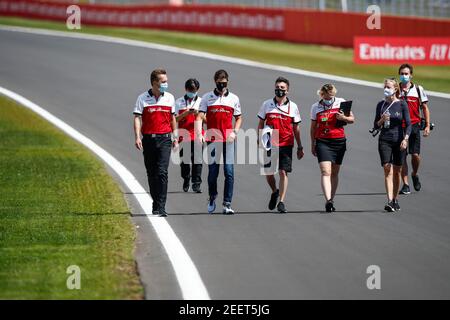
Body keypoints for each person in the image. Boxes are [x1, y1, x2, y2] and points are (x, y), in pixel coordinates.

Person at [196, 69, 242, 215]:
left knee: (229, 172)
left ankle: (227, 203)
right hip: (212, 139)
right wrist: (199, 134)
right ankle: (212, 196)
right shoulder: (207, 98)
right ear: (215, 82)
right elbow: (199, 117)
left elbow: (239, 117)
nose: (222, 85)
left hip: (228, 140)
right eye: (219, 82)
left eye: (224, 82)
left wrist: (235, 132)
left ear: (227, 82)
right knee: (213, 172)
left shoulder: (234, 98)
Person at [133, 68, 178, 217]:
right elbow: (137, 118)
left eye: (166, 81)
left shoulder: (170, 98)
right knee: (151, 173)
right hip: (148, 139)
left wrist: (175, 136)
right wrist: (138, 137)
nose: (166, 84)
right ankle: (155, 203)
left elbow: (172, 119)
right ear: (154, 83)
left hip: (165, 138)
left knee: (162, 172)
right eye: (163, 81)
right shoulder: (142, 98)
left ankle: (162, 206)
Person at [257, 76, 304, 214]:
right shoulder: (266, 104)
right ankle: (275, 191)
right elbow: (261, 123)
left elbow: (296, 128)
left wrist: (300, 146)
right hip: (270, 143)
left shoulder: (293, 106)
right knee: (269, 172)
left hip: (286, 142)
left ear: (287, 91)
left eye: (282, 88)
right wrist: (259, 138)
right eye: (277, 88)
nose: (279, 90)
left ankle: (281, 202)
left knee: (283, 172)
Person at [310, 84, 355, 213]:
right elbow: (313, 127)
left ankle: (331, 199)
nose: (330, 99)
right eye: (327, 97)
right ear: (322, 95)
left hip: (339, 141)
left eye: (332, 96)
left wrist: (343, 118)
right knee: (325, 172)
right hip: (322, 141)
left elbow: (352, 119)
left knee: (334, 172)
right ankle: (328, 200)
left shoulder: (341, 102)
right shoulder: (315, 107)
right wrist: (312, 143)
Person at [373, 78, 411, 212]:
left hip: (399, 140)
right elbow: (375, 126)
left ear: (395, 89)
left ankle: (395, 199)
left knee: (397, 172)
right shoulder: (381, 105)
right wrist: (381, 120)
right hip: (384, 140)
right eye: (385, 86)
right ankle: (389, 201)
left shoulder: (402, 104)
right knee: (387, 168)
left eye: (388, 87)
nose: (386, 89)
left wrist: (405, 139)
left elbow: (408, 124)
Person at [398, 63, 431, 194]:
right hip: (400, 127)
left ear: (411, 75)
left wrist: (427, 125)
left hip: (415, 126)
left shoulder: (418, 89)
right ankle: (405, 184)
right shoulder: (396, 90)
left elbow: (424, 108)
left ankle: (414, 174)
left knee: (415, 155)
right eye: (402, 74)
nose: (404, 76)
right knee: (402, 156)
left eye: (406, 74)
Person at [175, 78, 205, 193]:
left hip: (198, 135)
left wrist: (199, 114)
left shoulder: (202, 102)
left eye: (195, 90)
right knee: (185, 162)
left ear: (197, 90)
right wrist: (186, 113)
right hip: (183, 136)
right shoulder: (178, 102)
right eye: (190, 90)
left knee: (197, 160)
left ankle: (196, 184)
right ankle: (186, 178)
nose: (192, 92)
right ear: (186, 89)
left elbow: (207, 121)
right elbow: (174, 119)